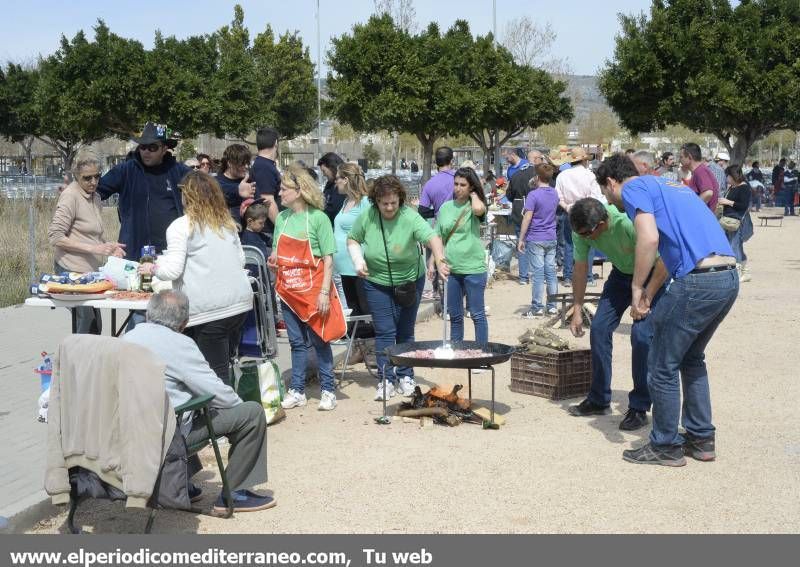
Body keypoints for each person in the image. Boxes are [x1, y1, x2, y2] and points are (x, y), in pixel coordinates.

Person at [596, 154, 738, 467]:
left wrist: (635, 287)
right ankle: (701, 438)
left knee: (661, 363)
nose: (609, 200)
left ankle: (664, 444)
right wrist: (649, 291)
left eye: (605, 193)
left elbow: (648, 238)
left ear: (610, 182)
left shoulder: (634, 190)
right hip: (727, 276)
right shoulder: (671, 185)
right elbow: (668, 254)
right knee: (691, 358)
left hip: (698, 280)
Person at [124, 290, 274, 513]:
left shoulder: (126, 339)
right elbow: (217, 393)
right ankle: (235, 493)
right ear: (184, 322)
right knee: (250, 414)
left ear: (148, 314)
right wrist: (238, 405)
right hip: (163, 437)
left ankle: (179, 482)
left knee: (182, 403)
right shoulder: (180, 344)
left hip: (126, 433)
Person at [138, 171, 253, 384]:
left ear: (187, 196)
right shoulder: (225, 222)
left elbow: (172, 271)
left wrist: (152, 268)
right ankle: (216, 412)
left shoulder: (181, 226)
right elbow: (241, 260)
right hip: (239, 303)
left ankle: (223, 415)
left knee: (214, 376)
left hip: (209, 309)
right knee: (223, 365)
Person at [566, 197, 668, 431]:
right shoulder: (581, 231)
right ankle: (599, 398)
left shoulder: (628, 223)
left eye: (586, 234)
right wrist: (578, 309)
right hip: (621, 276)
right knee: (599, 328)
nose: (583, 239)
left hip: (652, 276)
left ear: (601, 224)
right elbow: (580, 268)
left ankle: (640, 406)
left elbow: (664, 260)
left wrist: (646, 296)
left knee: (641, 337)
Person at [348, 175, 450, 400]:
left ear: (400, 200)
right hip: (377, 281)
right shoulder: (368, 216)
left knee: (405, 330)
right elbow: (353, 239)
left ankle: (405, 374)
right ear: (376, 201)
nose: (390, 207)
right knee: (385, 330)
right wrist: (358, 260)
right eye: (385, 203)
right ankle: (386, 378)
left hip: (410, 280)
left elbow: (432, 237)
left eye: (394, 202)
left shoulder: (410, 216)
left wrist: (440, 259)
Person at [269, 166, 345, 412]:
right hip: (288, 291)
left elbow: (328, 260)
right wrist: (274, 262)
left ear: (299, 191)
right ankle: (298, 390)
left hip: (314, 292)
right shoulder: (282, 218)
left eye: (284, 189)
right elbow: (276, 252)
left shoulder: (319, 218)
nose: (279, 193)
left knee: (320, 340)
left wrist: (325, 293)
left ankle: (328, 390)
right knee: (295, 342)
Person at [48, 150, 126, 334]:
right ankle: (75, 360)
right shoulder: (70, 196)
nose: (93, 182)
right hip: (70, 270)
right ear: (76, 176)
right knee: (87, 323)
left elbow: (92, 234)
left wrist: (109, 247)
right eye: (87, 178)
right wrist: (95, 248)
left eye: (97, 176)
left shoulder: (96, 196)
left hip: (89, 272)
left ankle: (88, 359)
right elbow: (55, 236)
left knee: (95, 325)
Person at [97, 122, 190, 260]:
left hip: (171, 252)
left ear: (164, 149)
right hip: (135, 251)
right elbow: (96, 191)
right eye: (143, 147)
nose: (146, 151)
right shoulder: (126, 170)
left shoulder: (178, 171)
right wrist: (73, 190)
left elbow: (207, 192)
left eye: (152, 147)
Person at [433, 167, 488, 344]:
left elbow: (480, 210)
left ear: (471, 187)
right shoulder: (446, 207)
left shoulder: (473, 205)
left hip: (473, 268)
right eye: (456, 184)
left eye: (463, 185)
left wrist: (473, 195)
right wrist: (434, 261)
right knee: (455, 316)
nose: (458, 188)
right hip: (451, 268)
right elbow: (438, 237)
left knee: (477, 314)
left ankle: (481, 353)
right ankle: (457, 350)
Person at [555, 147, 605, 287]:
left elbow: (558, 197)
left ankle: (568, 277)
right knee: (589, 244)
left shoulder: (562, 175)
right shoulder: (589, 175)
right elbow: (596, 197)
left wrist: (567, 207)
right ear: (584, 160)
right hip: (587, 212)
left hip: (569, 212)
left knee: (569, 245)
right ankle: (588, 277)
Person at [517, 163, 560, 318]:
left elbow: (527, 217)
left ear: (537, 177)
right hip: (551, 236)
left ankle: (537, 307)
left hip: (536, 237)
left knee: (538, 274)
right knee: (551, 272)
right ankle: (553, 305)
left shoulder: (533, 195)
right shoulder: (554, 193)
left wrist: (521, 238)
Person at [333, 162, 372, 327]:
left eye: (338, 179)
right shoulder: (346, 201)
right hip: (343, 267)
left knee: (366, 309)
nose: (335, 182)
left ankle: (373, 346)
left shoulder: (364, 202)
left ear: (346, 179)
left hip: (357, 265)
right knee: (354, 309)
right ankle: (359, 347)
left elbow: (370, 231)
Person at [418, 146, 455, 301]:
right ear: (452, 160)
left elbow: (422, 211)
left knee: (433, 255)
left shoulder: (430, 184)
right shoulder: (460, 179)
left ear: (435, 163)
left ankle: (436, 289)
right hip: (458, 226)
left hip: (438, 226)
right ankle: (455, 291)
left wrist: (437, 212)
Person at [248, 127, 282, 248]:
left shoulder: (263, 164)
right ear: (276, 144)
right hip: (268, 230)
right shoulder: (264, 167)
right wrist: (282, 228)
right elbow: (268, 201)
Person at [719, 164, 753, 282]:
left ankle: (737, 273)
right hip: (728, 220)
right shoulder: (732, 187)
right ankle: (745, 272)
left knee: (734, 246)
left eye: (728, 175)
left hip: (737, 221)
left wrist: (728, 202)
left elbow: (743, 206)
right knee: (735, 247)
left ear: (734, 175)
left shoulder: (744, 187)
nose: (727, 178)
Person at [217, 144, 253, 225]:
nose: (246, 166)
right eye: (242, 163)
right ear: (230, 163)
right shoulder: (215, 182)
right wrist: (237, 190)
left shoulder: (249, 181)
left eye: (247, 163)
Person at [678, 142, 719, 212]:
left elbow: (708, 193)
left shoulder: (700, 171)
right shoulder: (699, 170)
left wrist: (691, 208)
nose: (679, 160)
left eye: (681, 157)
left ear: (689, 157)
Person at [317, 152, 347, 226]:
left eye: (324, 171)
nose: (323, 174)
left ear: (332, 167)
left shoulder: (345, 186)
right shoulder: (329, 184)